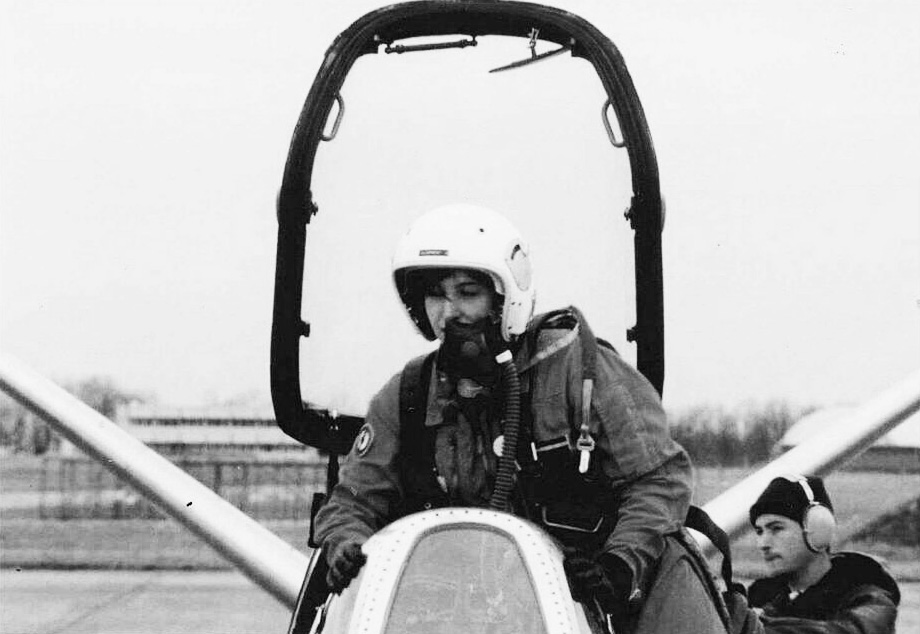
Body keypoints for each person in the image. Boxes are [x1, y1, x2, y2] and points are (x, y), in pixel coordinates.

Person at [312, 203, 694, 629]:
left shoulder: (577, 371)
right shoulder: (406, 396)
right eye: (436, 293)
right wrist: (347, 544)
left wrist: (620, 565)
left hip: (576, 606)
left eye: (467, 293)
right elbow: (351, 501)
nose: (448, 311)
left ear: (505, 298)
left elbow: (660, 479)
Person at [743, 474, 900, 634]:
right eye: (759, 532)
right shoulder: (759, 601)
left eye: (776, 528)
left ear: (819, 529)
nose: (763, 544)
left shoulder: (871, 600)